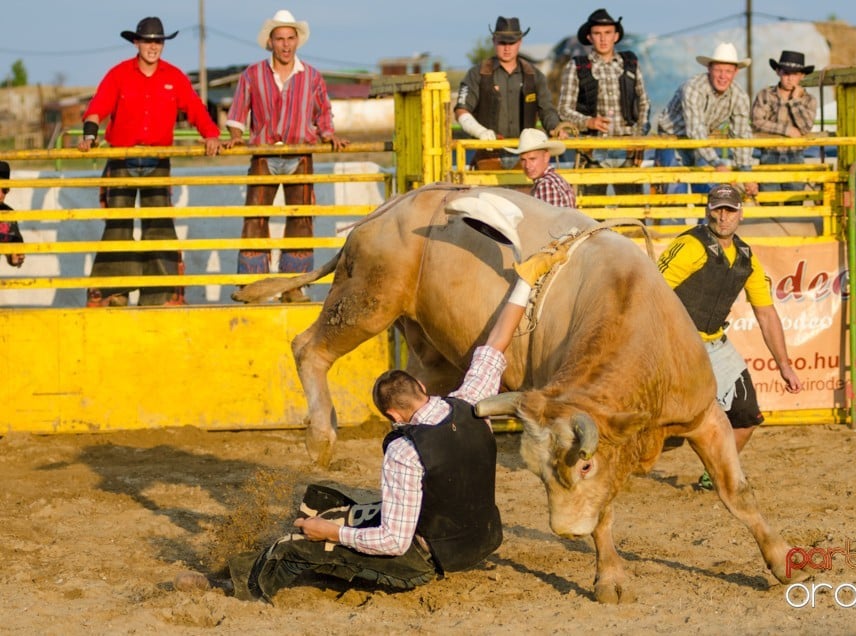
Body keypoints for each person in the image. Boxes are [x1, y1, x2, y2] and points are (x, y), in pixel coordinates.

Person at [228, 241, 570, 601]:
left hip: (424, 559)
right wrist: (524, 282)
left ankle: (242, 589)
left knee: (295, 546)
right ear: (421, 387)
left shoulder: (405, 451)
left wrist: (329, 533)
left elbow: (392, 541)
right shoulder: (471, 402)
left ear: (392, 415)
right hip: (481, 540)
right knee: (327, 503)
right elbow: (497, 341)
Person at [656, 184, 800, 489]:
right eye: (718, 210)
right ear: (709, 211)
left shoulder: (746, 257)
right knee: (670, 427)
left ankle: (714, 476)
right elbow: (653, 290)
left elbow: (766, 313)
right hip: (678, 343)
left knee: (747, 417)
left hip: (713, 343)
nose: (723, 217)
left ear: (740, 214)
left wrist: (784, 365)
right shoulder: (691, 246)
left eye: (729, 210)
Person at [78, 16, 221, 307]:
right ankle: (113, 292)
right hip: (121, 157)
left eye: (158, 41)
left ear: (163, 44)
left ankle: (161, 294)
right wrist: (89, 137)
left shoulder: (174, 76)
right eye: (148, 41)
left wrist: (211, 134)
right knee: (118, 225)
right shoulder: (118, 74)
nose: (153, 47)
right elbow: (97, 108)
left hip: (157, 159)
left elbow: (194, 108)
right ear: (136, 43)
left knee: (159, 226)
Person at [225, 9, 349, 303]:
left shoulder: (312, 77)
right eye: (279, 38)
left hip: (300, 152)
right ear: (270, 42)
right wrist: (235, 136)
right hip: (264, 153)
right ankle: (253, 285)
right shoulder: (253, 74)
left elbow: (323, 113)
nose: (285, 44)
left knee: (301, 221)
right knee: (255, 219)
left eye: (290, 38)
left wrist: (329, 135)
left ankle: (294, 286)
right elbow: (238, 113)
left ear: (297, 41)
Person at [557, 8, 650, 197]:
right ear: (590, 37)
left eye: (607, 33)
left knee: (632, 208)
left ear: (616, 36)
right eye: (597, 33)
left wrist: (639, 139)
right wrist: (588, 122)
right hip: (593, 148)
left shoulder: (630, 63)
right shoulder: (577, 66)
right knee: (592, 208)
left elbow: (644, 103)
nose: (603, 38)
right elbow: (564, 110)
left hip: (627, 146)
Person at [454, 16, 562, 170]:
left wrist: (555, 128)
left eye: (511, 43)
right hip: (488, 155)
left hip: (524, 155)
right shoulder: (476, 73)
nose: (507, 48)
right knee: (487, 194)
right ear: (494, 41)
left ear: (520, 42)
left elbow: (547, 109)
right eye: (502, 42)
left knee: (522, 193)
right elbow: (461, 110)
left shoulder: (535, 76)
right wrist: (480, 132)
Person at [654, 43, 758, 198]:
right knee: (675, 195)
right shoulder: (693, 88)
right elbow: (695, 130)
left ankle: (706, 222)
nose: (723, 76)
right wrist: (718, 163)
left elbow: (741, 135)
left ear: (735, 72)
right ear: (709, 69)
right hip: (672, 139)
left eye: (728, 71)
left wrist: (746, 174)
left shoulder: (740, 96)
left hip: (702, 143)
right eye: (718, 70)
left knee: (709, 193)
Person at [751, 51, 818, 200]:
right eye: (786, 73)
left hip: (795, 155)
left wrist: (794, 101)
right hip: (769, 154)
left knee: (794, 200)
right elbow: (756, 121)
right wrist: (786, 130)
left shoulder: (808, 100)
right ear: (778, 72)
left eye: (795, 74)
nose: (790, 78)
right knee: (769, 201)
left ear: (802, 76)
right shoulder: (765, 94)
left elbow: (806, 127)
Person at [506, 128, 576, 208]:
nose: (527, 165)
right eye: (523, 160)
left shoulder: (546, 185)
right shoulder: (554, 180)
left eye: (532, 159)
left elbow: (549, 220)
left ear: (546, 157)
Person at [0, 160, 25, 268]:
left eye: (5, 189)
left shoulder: (8, 215)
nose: (0, 194)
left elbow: (15, 247)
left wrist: (13, 256)